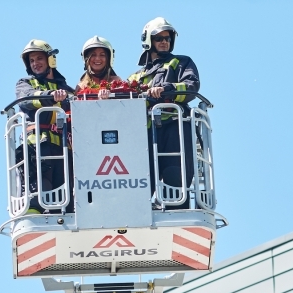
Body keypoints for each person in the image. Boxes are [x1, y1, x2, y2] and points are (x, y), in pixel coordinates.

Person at [128, 17, 200, 209]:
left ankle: (176, 209)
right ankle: (140, 210)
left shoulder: (181, 62)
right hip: (146, 133)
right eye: (159, 38)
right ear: (148, 41)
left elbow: (191, 87)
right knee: (141, 177)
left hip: (175, 127)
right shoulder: (135, 77)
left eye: (167, 38)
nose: (164, 42)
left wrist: (166, 89)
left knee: (174, 173)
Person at [15, 39, 74, 213]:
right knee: (37, 193)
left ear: (50, 60)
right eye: (31, 60)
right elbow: (27, 99)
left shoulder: (66, 89)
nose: (35, 63)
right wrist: (50, 95)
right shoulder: (24, 83)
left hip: (64, 149)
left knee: (66, 199)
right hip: (37, 147)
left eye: (39, 58)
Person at [75, 36, 122, 100]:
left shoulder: (116, 82)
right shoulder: (80, 87)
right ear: (86, 59)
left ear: (108, 59)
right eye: (93, 55)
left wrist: (110, 95)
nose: (97, 58)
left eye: (102, 55)